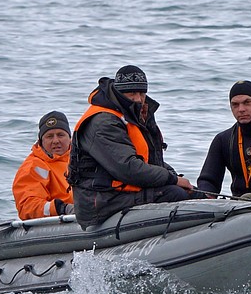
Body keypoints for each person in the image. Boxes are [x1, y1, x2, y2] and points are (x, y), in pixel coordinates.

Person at [67, 65, 193, 227]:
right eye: (131, 93)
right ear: (119, 93)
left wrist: (172, 175)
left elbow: (149, 160)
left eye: (141, 93)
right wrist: (173, 179)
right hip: (100, 201)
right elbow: (128, 168)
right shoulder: (103, 122)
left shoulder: (133, 115)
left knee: (193, 193)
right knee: (174, 193)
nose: (138, 99)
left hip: (124, 192)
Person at [196, 80, 251, 197]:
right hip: (238, 203)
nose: (241, 109)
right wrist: (206, 196)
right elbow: (208, 180)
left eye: (247, 102)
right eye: (235, 104)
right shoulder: (223, 139)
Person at [12, 111, 74, 220]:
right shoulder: (33, 166)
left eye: (60, 135)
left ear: (70, 138)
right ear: (41, 141)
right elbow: (27, 206)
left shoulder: (84, 159)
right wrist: (61, 208)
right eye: (49, 136)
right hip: (57, 222)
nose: (56, 141)